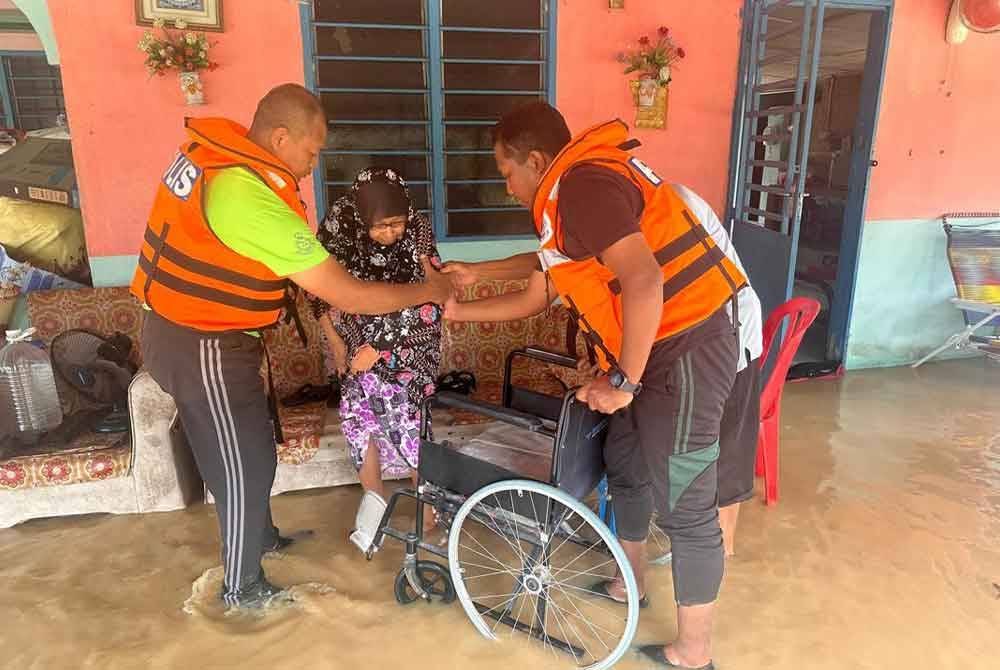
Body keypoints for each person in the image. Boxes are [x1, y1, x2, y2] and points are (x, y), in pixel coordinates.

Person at [442, 101, 745, 670]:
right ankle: (627, 581)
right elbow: (543, 281)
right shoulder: (569, 198)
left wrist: (624, 382)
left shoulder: (583, 186)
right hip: (642, 351)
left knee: (685, 502)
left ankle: (693, 653)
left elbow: (644, 278)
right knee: (624, 461)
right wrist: (472, 286)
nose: (506, 187)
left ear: (535, 160)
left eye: (506, 172)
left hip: (684, 349)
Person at [131, 84, 452, 610]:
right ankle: (243, 591)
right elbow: (346, 294)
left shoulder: (228, 166)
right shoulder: (248, 195)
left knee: (248, 447)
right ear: (281, 137)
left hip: (209, 337)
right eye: (311, 151)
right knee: (244, 465)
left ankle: (260, 542)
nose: (311, 166)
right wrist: (431, 290)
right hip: (199, 339)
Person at [448, 186, 765, 558]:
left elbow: (646, 288)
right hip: (656, 349)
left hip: (724, 334)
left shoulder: (666, 207)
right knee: (630, 456)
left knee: (716, 458)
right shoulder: (600, 215)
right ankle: (640, 571)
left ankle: (714, 552)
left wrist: (623, 375)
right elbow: (547, 264)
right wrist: (476, 272)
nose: (508, 187)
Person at [306, 168, 442, 546]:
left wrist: (381, 347)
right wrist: (334, 339)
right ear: (362, 219)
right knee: (360, 425)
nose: (390, 234)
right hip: (355, 354)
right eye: (380, 226)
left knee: (411, 433)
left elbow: (435, 301)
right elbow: (316, 286)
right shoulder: (342, 228)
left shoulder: (419, 234)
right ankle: (374, 506)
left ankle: (429, 520)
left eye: (396, 224)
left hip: (409, 358)